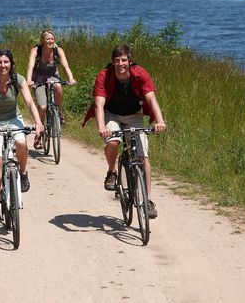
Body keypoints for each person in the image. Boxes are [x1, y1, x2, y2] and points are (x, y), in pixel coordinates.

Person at [82, 44, 166, 219]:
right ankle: (112, 171)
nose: (121, 63)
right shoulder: (104, 76)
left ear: (130, 61)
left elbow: (151, 97)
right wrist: (101, 127)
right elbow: (99, 103)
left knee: (143, 158)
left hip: (134, 115)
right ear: (112, 62)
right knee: (112, 142)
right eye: (117, 60)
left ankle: (148, 200)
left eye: (124, 60)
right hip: (111, 114)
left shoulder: (140, 74)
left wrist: (160, 120)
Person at [0, 49, 44, 222]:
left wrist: (38, 122)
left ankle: (23, 172)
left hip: (14, 119)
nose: (2, 65)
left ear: (11, 64)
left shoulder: (17, 79)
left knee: (21, 142)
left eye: (6, 62)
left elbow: (29, 101)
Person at [26, 29, 76, 150]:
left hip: (53, 75)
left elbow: (65, 65)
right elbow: (30, 65)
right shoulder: (36, 50)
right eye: (48, 39)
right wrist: (29, 80)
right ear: (42, 40)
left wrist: (71, 78)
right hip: (38, 78)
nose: (50, 41)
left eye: (52, 39)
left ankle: (58, 111)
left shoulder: (57, 49)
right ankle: (39, 133)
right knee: (42, 107)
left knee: (58, 86)